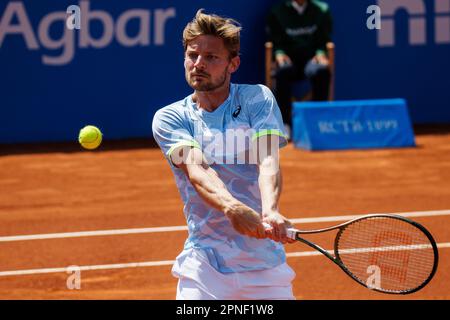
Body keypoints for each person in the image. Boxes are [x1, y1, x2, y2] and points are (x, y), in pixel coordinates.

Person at [152, 9, 296, 300]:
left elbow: (268, 159)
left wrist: (269, 210)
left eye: (211, 57)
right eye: (193, 55)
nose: (199, 64)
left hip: (265, 270)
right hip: (204, 268)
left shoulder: (257, 98)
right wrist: (232, 208)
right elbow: (198, 171)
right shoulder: (170, 117)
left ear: (233, 64)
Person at [266, 0, 333, 130]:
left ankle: (318, 122)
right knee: (282, 72)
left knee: (322, 71)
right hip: (289, 62)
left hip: (311, 61)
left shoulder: (322, 10)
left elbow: (323, 40)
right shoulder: (277, 12)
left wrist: (320, 53)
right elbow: (276, 42)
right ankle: (285, 124)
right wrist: (279, 53)